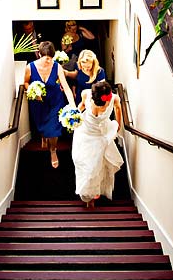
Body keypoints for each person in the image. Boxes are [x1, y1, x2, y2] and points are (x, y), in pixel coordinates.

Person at [71, 80, 123, 208]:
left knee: (96, 166)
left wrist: (118, 124)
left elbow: (118, 108)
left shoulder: (114, 99)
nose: (102, 106)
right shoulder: (85, 94)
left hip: (100, 136)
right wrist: (73, 116)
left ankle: (93, 194)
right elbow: (82, 106)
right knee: (83, 163)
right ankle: (88, 195)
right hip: (84, 133)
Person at [25, 40, 76, 168]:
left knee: (54, 129)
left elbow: (66, 87)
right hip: (38, 102)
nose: (49, 61)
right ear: (39, 55)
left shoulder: (57, 66)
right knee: (42, 126)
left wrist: (73, 106)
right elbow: (25, 83)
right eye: (46, 58)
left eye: (51, 58)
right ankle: (44, 136)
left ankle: (53, 150)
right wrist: (33, 91)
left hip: (55, 101)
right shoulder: (30, 67)